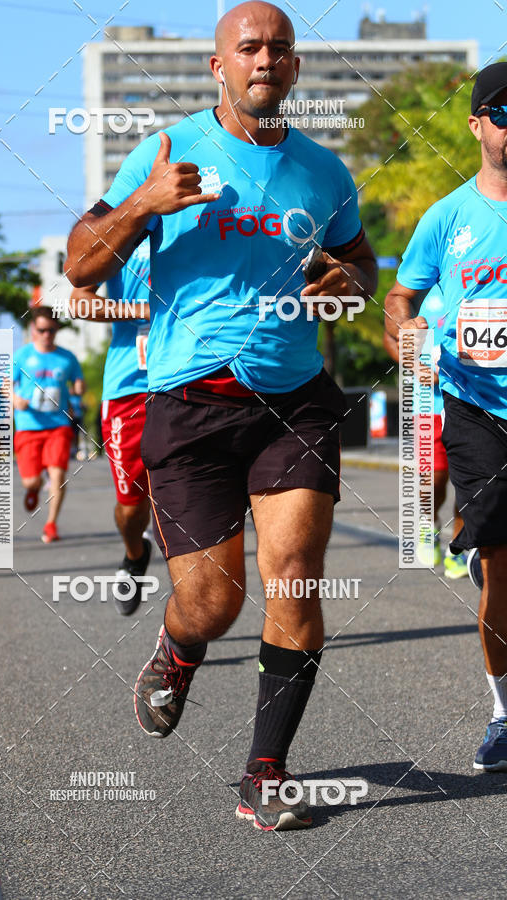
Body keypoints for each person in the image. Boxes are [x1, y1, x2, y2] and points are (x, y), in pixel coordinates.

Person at [66, 0, 377, 830]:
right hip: (190, 401)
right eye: (248, 47)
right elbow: (80, 267)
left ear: (296, 67)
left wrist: (349, 283)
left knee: (296, 572)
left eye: (279, 47)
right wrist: (142, 206)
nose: (264, 58)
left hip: (295, 399)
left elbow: (360, 261)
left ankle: (265, 773)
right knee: (213, 604)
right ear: (219, 66)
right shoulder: (164, 152)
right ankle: (178, 649)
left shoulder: (325, 172)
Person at [385, 61, 507, 771]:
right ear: (476, 125)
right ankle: (504, 712)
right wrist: (406, 336)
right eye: (504, 113)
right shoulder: (447, 216)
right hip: (476, 408)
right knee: (499, 566)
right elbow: (401, 298)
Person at [68, 238, 152, 616]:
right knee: (132, 508)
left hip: (192, 381)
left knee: (181, 505)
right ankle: (135, 554)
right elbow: (79, 299)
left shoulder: (204, 220)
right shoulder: (123, 230)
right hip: (130, 390)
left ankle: (184, 628)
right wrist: (142, 310)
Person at [383, 287, 468, 577]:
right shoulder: (419, 290)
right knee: (433, 481)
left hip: (470, 404)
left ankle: (459, 549)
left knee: (470, 484)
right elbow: (390, 337)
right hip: (428, 407)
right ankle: (428, 525)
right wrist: (413, 364)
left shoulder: (481, 281)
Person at [13, 306, 85, 543]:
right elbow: (4, 385)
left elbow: (78, 382)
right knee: (30, 480)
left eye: (51, 331)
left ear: (56, 330)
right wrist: (15, 399)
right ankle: (35, 486)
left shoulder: (67, 357)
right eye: (42, 330)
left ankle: (51, 524)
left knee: (58, 475)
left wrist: (79, 388)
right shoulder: (22, 356)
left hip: (58, 425)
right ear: (34, 329)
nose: (46, 335)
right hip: (28, 425)